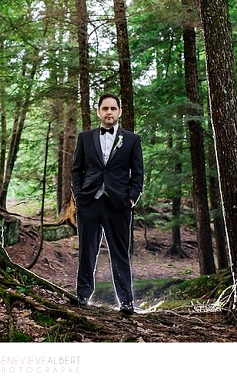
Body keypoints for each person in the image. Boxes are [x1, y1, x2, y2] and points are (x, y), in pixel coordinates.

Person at [71, 93, 144, 315]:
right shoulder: (85, 138)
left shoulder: (131, 139)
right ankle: (83, 296)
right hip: (89, 202)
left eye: (113, 108)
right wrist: (78, 196)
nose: (109, 112)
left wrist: (131, 198)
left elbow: (138, 174)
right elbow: (77, 170)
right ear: (98, 112)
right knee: (87, 251)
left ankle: (126, 301)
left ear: (119, 111)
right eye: (105, 108)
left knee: (119, 253)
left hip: (118, 205)